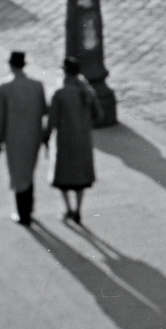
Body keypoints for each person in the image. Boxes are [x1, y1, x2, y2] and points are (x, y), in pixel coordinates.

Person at [44, 57, 100, 224]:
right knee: (80, 179)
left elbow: (51, 120)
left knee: (63, 177)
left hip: (64, 140)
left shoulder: (59, 92)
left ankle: (68, 208)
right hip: (83, 139)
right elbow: (99, 115)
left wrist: (45, 137)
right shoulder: (86, 90)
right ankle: (79, 209)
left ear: (64, 71)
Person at [0, 50, 47, 226]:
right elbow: (43, 110)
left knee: (17, 174)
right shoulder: (37, 85)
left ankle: (22, 214)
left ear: (10, 65)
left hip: (14, 137)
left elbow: (1, 117)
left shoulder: (4, 88)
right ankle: (29, 209)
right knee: (29, 172)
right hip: (33, 135)